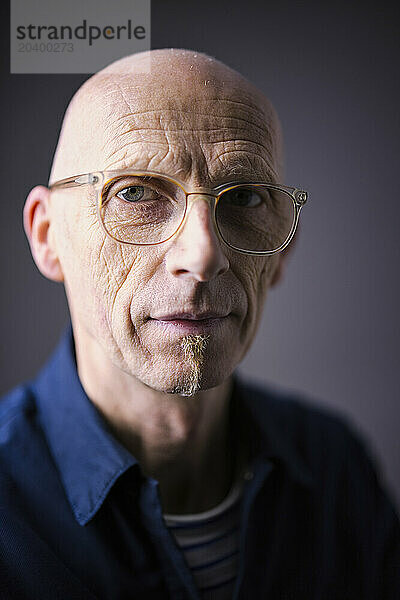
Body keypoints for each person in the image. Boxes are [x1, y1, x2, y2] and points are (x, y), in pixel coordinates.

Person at [0, 48, 398, 600]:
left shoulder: (335, 470)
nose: (203, 253)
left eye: (247, 198)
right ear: (48, 237)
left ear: (281, 251)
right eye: (135, 192)